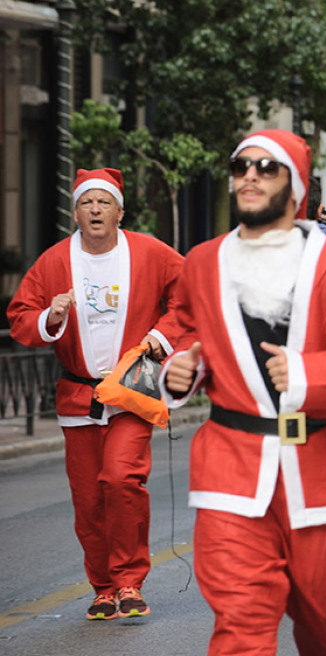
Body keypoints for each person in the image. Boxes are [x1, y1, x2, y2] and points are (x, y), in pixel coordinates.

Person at [161, 129, 326, 654]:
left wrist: (308, 375)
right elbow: (186, 330)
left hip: (319, 469)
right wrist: (181, 369)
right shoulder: (204, 262)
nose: (249, 175)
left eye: (266, 167)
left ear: (294, 188)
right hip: (230, 468)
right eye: (240, 166)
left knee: (325, 619)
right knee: (242, 620)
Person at [7, 168, 185, 621]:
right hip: (77, 396)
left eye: (104, 203)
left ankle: (129, 581)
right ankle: (104, 587)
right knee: (88, 499)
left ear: (120, 212)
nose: (96, 210)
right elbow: (21, 317)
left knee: (122, 480)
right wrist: (52, 313)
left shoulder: (150, 253)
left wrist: (159, 341)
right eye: (87, 203)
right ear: (76, 211)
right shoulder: (53, 261)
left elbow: (190, 297)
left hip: (129, 391)